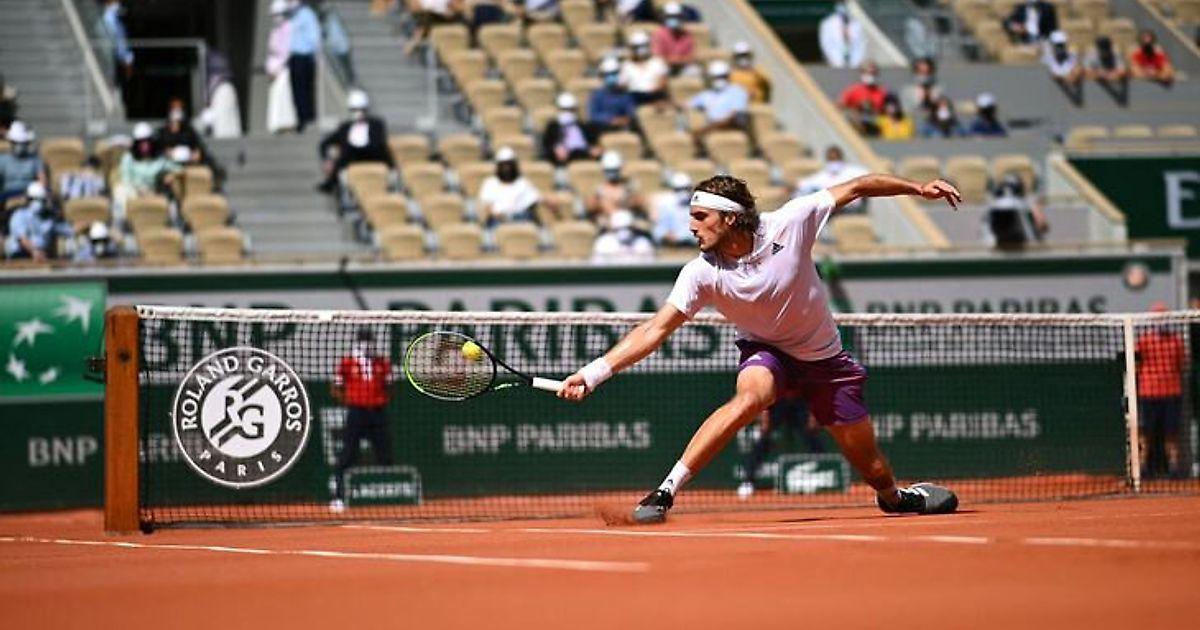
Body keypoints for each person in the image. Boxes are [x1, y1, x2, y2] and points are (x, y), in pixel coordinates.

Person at [556, 173, 963, 524]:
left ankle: (896, 497)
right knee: (752, 396)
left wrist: (917, 188)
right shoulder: (700, 273)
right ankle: (665, 491)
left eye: (701, 217)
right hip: (765, 350)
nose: (691, 226)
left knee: (874, 471)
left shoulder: (792, 221)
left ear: (730, 218)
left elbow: (857, 186)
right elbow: (654, 329)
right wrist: (593, 374)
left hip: (824, 359)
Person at [330, 328, 396, 512]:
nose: (366, 344)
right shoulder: (347, 363)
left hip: (377, 412)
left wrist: (380, 400)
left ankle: (389, 495)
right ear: (357, 342)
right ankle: (339, 497)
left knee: (385, 453)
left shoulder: (382, 363)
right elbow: (336, 387)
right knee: (348, 454)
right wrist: (350, 401)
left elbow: (390, 386)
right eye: (362, 340)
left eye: (369, 340)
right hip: (356, 413)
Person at [736, 398, 825, 499]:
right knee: (763, 441)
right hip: (776, 404)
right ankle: (748, 481)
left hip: (799, 404)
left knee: (811, 437)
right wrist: (764, 415)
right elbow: (766, 392)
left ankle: (823, 475)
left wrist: (813, 414)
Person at [1135, 303, 1186, 479]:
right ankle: (1141, 469)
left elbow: (1182, 365)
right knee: (1145, 433)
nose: (1161, 322)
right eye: (1157, 318)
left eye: (1163, 318)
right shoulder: (1143, 341)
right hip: (1148, 394)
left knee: (1171, 432)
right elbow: (1136, 365)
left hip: (1171, 393)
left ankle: (1174, 468)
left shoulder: (1176, 341)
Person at [317, 90, 395, 194]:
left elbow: (379, 144)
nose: (358, 113)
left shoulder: (376, 124)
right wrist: (327, 160)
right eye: (354, 110)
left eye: (361, 109)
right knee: (346, 151)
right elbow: (324, 143)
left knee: (377, 148)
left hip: (374, 157)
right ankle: (330, 184)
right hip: (352, 158)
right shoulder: (345, 127)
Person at [115, 122, 180, 217]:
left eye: (147, 142)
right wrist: (141, 193)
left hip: (154, 192)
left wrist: (172, 175)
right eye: (141, 142)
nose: (145, 145)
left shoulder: (159, 159)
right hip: (134, 192)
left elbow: (178, 169)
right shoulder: (128, 158)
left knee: (171, 204)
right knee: (121, 191)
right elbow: (127, 180)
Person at [688, 60, 750, 145]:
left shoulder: (738, 91)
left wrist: (705, 130)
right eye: (716, 77)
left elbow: (733, 118)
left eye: (722, 77)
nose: (719, 80)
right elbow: (687, 104)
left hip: (731, 128)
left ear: (727, 76)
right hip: (711, 128)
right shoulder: (706, 94)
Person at [5, 182, 70, 261]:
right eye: (37, 200)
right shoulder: (19, 216)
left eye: (43, 200)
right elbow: (22, 239)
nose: (40, 203)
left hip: (43, 254)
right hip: (22, 254)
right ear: (29, 200)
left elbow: (67, 230)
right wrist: (35, 251)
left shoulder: (49, 218)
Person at [478, 146, 541, 226]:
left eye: (509, 164)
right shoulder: (490, 183)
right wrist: (500, 217)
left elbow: (535, 199)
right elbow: (487, 207)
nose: (506, 168)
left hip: (521, 219)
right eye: (503, 165)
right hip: (499, 220)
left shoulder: (522, 183)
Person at [796, 145, 868, 213]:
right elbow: (803, 185)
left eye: (836, 159)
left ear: (841, 158)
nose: (834, 163)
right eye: (831, 159)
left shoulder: (854, 172)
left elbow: (867, 178)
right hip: (831, 209)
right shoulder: (822, 176)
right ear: (827, 160)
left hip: (851, 208)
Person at [984, 173, 1047, 249]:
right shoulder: (992, 210)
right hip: (997, 248)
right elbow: (986, 239)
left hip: (1026, 249)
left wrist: (1034, 213)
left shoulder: (1028, 207)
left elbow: (1044, 227)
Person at [287, 0, 322, 132]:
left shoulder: (307, 14)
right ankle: (300, 118)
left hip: (304, 57)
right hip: (294, 58)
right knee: (296, 91)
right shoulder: (292, 15)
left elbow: (314, 36)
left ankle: (306, 119)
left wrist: (316, 56)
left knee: (304, 91)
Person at [541, 92, 602, 166]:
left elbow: (593, 143)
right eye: (564, 110)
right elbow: (546, 146)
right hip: (564, 158)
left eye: (570, 110)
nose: (568, 113)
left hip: (583, 154)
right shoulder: (553, 126)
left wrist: (594, 149)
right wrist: (555, 150)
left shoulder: (584, 126)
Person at [587, 150, 644, 226]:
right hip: (607, 224)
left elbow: (639, 202)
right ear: (603, 170)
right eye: (609, 171)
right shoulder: (598, 188)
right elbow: (590, 206)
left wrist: (625, 203)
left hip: (627, 221)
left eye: (614, 170)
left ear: (620, 169)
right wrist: (602, 205)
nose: (612, 174)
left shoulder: (629, 186)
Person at [266, 0, 298, 134]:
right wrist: (271, 69)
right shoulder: (274, 32)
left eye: (279, 14)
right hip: (275, 70)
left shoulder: (290, 28)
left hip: (284, 69)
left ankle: (287, 123)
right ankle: (277, 125)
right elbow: (272, 52)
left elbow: (287, 52)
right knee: (275, 96)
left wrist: (278, 69)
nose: (276, 18)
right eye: (274, 15)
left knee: (284, 95)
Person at [620, 31, 670, 107]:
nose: (639, 49)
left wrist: (655, 90)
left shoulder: (658, 62)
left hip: (653, 95)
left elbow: (663, 82)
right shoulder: (627, 65)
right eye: (636, 47)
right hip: (633, 96)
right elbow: (623, 85)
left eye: (642, 46)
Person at [0, 122, 47, 202]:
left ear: (27, 143)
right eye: (16, 143)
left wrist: (40, 190)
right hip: (7, 194)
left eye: (22, 143)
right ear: (11, 143)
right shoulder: (3, 159)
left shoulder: (35, 159)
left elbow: (42, 179)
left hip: (29, 193)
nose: (19, 146)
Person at [588, 57, 638, 133]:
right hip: (603, 127)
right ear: (602, 76)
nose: (611, 77)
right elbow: (593, 115)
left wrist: (623, 119)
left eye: (614, 73)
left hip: (622, 127)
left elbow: (631, 112)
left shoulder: (625, 94)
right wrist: (610, 120)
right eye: (607, 74)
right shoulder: (597, 95)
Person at [200, 52, 243, 139]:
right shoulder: (215, 84)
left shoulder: (224, 87)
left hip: (223, 93)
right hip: (220, 94)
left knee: (225, 124)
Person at [652, 171, 697, 247]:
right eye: (678, 189)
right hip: (673, 246)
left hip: (694, 246)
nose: (683, 193)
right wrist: (666, 235)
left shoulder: (697, 206)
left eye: (686, 189)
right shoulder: (667, 207)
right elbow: (658, 231)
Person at [819, 1, 866, 69]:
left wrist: (857, 61)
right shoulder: (828, 24)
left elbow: (861, 44)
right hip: (835, 62)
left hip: (854, 62)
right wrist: (833, 60)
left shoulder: (856, 24)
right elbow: (826, 44)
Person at [652, 3, 696, 76]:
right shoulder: (659, 34)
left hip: (682, 67)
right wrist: (675, 60)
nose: (674, 19)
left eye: (676, 17)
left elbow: (691, 57)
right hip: (666, 66)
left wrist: (678, 61)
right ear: (665, 18)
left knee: (693, 70)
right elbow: (658, 57)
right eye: (670, 17)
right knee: (658, 67)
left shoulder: (687, 35)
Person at [101, 0, 134, 96]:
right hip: (112, 55)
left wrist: (128, 59)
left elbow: (122, 41)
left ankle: (115, 90)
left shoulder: (117, 20)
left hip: (119, 55)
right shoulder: (106, 17)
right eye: (115, 2)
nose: (117, 5)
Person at [1084, 36, 1129, 106]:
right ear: (1097, 48)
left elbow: (1122, 70)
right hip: (1095, 85)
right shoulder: (1091, 55)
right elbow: (1086, 71)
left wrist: (1113, 74)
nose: (1104, 51)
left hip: (1112, 76)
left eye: (1106, 48)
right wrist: (1100, 73)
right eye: (1102, 48)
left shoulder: (1116, 54)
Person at [1043, 30, 1084, 106]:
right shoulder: (1046, 59)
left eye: (1061, 45)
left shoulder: (1073, 58)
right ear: (1052, 45)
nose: (1060, 48)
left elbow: (1076, 75)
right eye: (1057, 45)